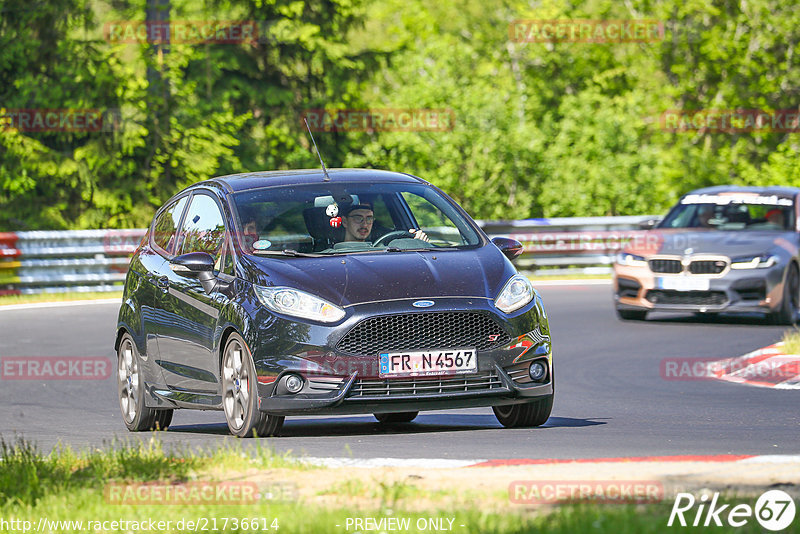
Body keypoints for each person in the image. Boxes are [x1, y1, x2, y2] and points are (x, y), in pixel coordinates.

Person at [341, 204, 429, 243]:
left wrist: (418, 243)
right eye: (358, 218)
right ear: (345, 222)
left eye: (369, 219)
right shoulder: (329, 255)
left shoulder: (386, 250)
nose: (364, 224)